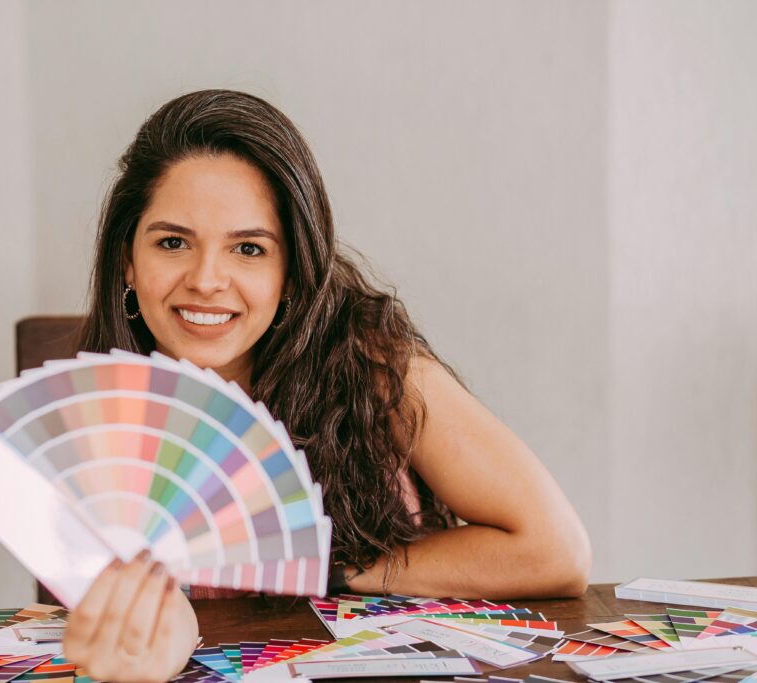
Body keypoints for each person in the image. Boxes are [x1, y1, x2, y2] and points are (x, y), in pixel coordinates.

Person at [61, 89, 592, 682]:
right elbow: (156, 611)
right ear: (127, 261)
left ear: (292, 271)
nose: (207, 279)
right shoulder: (97, 418)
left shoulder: (368, 356)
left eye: (248, 248)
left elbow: (553, 550)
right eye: (173, 242)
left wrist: (331, 568)